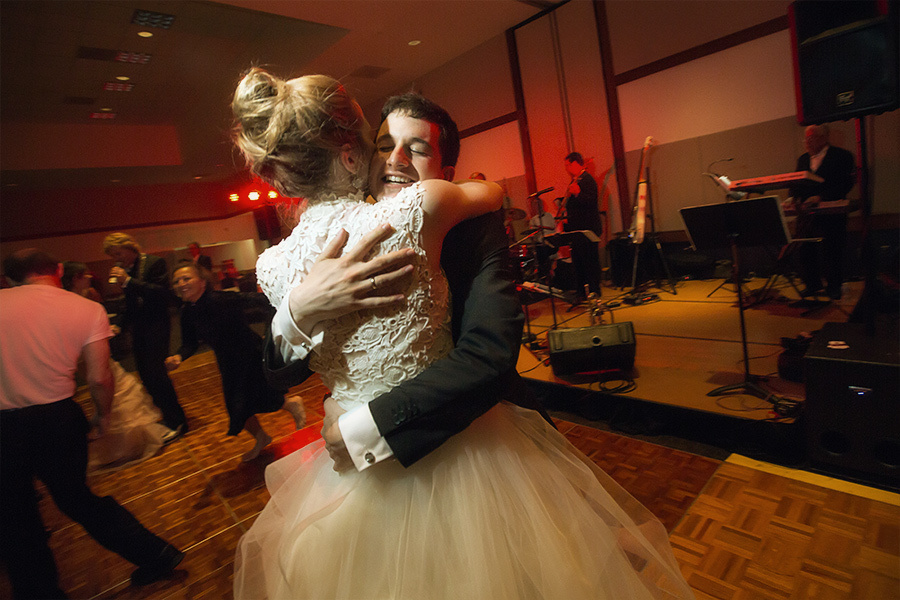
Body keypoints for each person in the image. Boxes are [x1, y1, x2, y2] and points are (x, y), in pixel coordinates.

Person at [231, 69, 694, 599]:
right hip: (362, 487)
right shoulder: (314, 257)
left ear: (445, 170)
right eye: (385, 144)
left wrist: (361, 427)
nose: (396, 159)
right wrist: (297, 311)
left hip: (473, 452)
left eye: (417, 148)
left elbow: (487, 355)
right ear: (357, 153)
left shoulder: (468, 226)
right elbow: (280, 370)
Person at [0, 249, 184, 599]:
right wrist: (102, 416)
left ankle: (40, 593)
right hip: (57, 419)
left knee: (14, 515)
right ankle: (156, 555)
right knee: (77, 499)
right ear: (58, 269)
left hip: (3, 427)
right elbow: (99, 378)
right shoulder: (84, 308)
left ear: (8, 279)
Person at [165, 261, 305, 462]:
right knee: (237, 408)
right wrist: (178, 356)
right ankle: (262, 436)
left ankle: (291, 405)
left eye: (186, 278)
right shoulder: (188, 312)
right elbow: (190, 343)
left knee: (256, 398)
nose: (181, 284)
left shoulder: (220, 299)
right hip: (227, 363)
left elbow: (262, 300)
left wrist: (274, 328)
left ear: (202, 282)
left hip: (249, 355)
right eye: (177, 281)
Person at [62, 261, 166, 471]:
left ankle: (122, 442)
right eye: (85, 275)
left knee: (114, 392)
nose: (89, 277)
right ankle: (119, 446)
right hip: (89, 353)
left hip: (88, 352)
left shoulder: (83, 296)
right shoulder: (74, 303)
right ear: (76, 278)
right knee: (112, 390)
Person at [104, 233, 187, 442]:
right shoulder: (126, 269)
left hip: (157, 325)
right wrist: (119, 325)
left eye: (118, 253)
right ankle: (166, 414)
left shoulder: (154, 263)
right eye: (113, 256)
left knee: (157, 374)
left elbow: (162, 293)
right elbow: (130, 303)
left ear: (130, 248)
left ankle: (177, 421)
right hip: (139, 328)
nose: (117, 259)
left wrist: (128, 281)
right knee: (145, 374)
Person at [787, 124, 857, 300]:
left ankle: (834, 286)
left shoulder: (842, 155)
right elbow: (796, 182)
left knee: (832, 249)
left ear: (824, 138)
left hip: (832, 211)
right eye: (806, 139)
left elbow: (845, 183)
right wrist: (793, 197)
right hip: (807, 212)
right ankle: (812, 285)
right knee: (805, 248)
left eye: (812, 138)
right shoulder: (803, 159)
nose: (807, 142)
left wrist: (822, 197)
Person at [558, 151, 602, 299]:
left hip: (588, 228)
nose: (567, 168)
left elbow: (591, 202)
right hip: (576, 229)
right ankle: (581, 291)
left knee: (590, 261)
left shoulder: (588, 180)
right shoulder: (575, 180)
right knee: (578, 261)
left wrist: (577, 194)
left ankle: (594, 291)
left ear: (576, 163)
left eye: (568, 165)